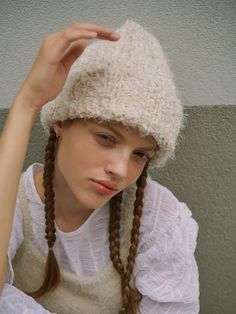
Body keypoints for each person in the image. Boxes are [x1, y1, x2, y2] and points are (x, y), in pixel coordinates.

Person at [0, 19, 199, 314]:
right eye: (106, 138)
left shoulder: (158, 218)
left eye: (140, 155)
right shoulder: (14, 205)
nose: (120, 169)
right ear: (61, 122)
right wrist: (27, 102)